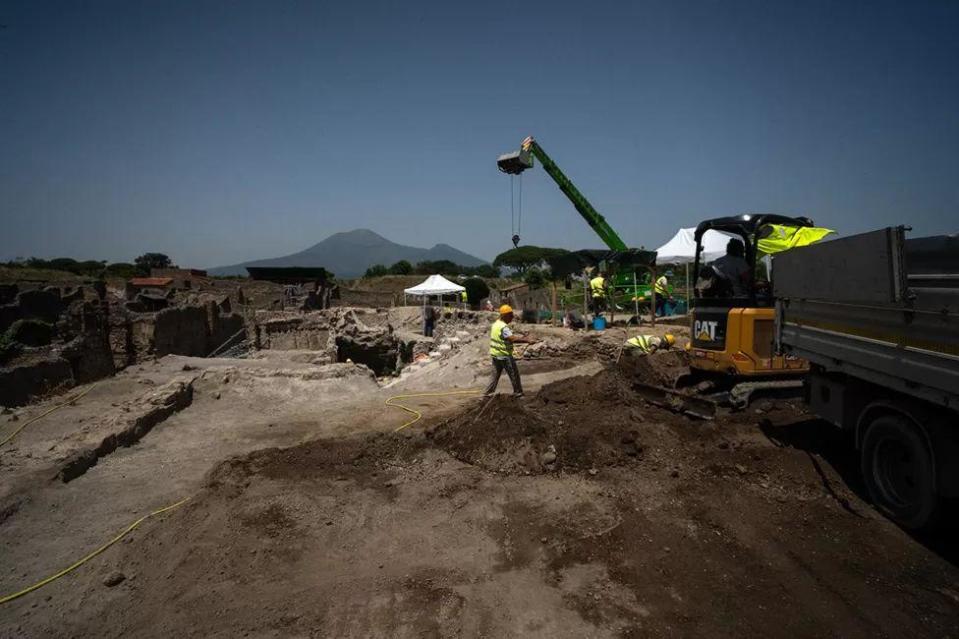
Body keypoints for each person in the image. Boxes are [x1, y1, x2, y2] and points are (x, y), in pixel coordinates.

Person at [485, 305, 537, 398]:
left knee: (494, 375)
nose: (512, 317)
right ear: (505, 315)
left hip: (495, 354)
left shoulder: (496, 324)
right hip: (504, 355)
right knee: (514, 374)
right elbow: (512, 338)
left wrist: (523, 337)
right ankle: (518, 393)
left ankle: (487, 393)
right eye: (510, 315)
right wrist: (527, 340)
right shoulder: (503, 327)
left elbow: (504, 337)